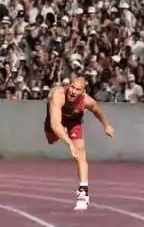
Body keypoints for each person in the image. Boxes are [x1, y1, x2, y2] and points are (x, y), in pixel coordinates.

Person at [44, 76, 115, 211]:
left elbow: (98, 112)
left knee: (80, 152)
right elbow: (55, 124)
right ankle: (64, 133)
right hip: (56, 118)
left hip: (74, 120)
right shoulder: (58, 94)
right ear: (68, 86)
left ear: (83, 92)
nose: (73, 92)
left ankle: (83, 191)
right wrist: (69, 143)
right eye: (72, 87)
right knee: (51, 140)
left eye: (78, 90)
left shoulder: (87, 101)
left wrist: (106, 125)